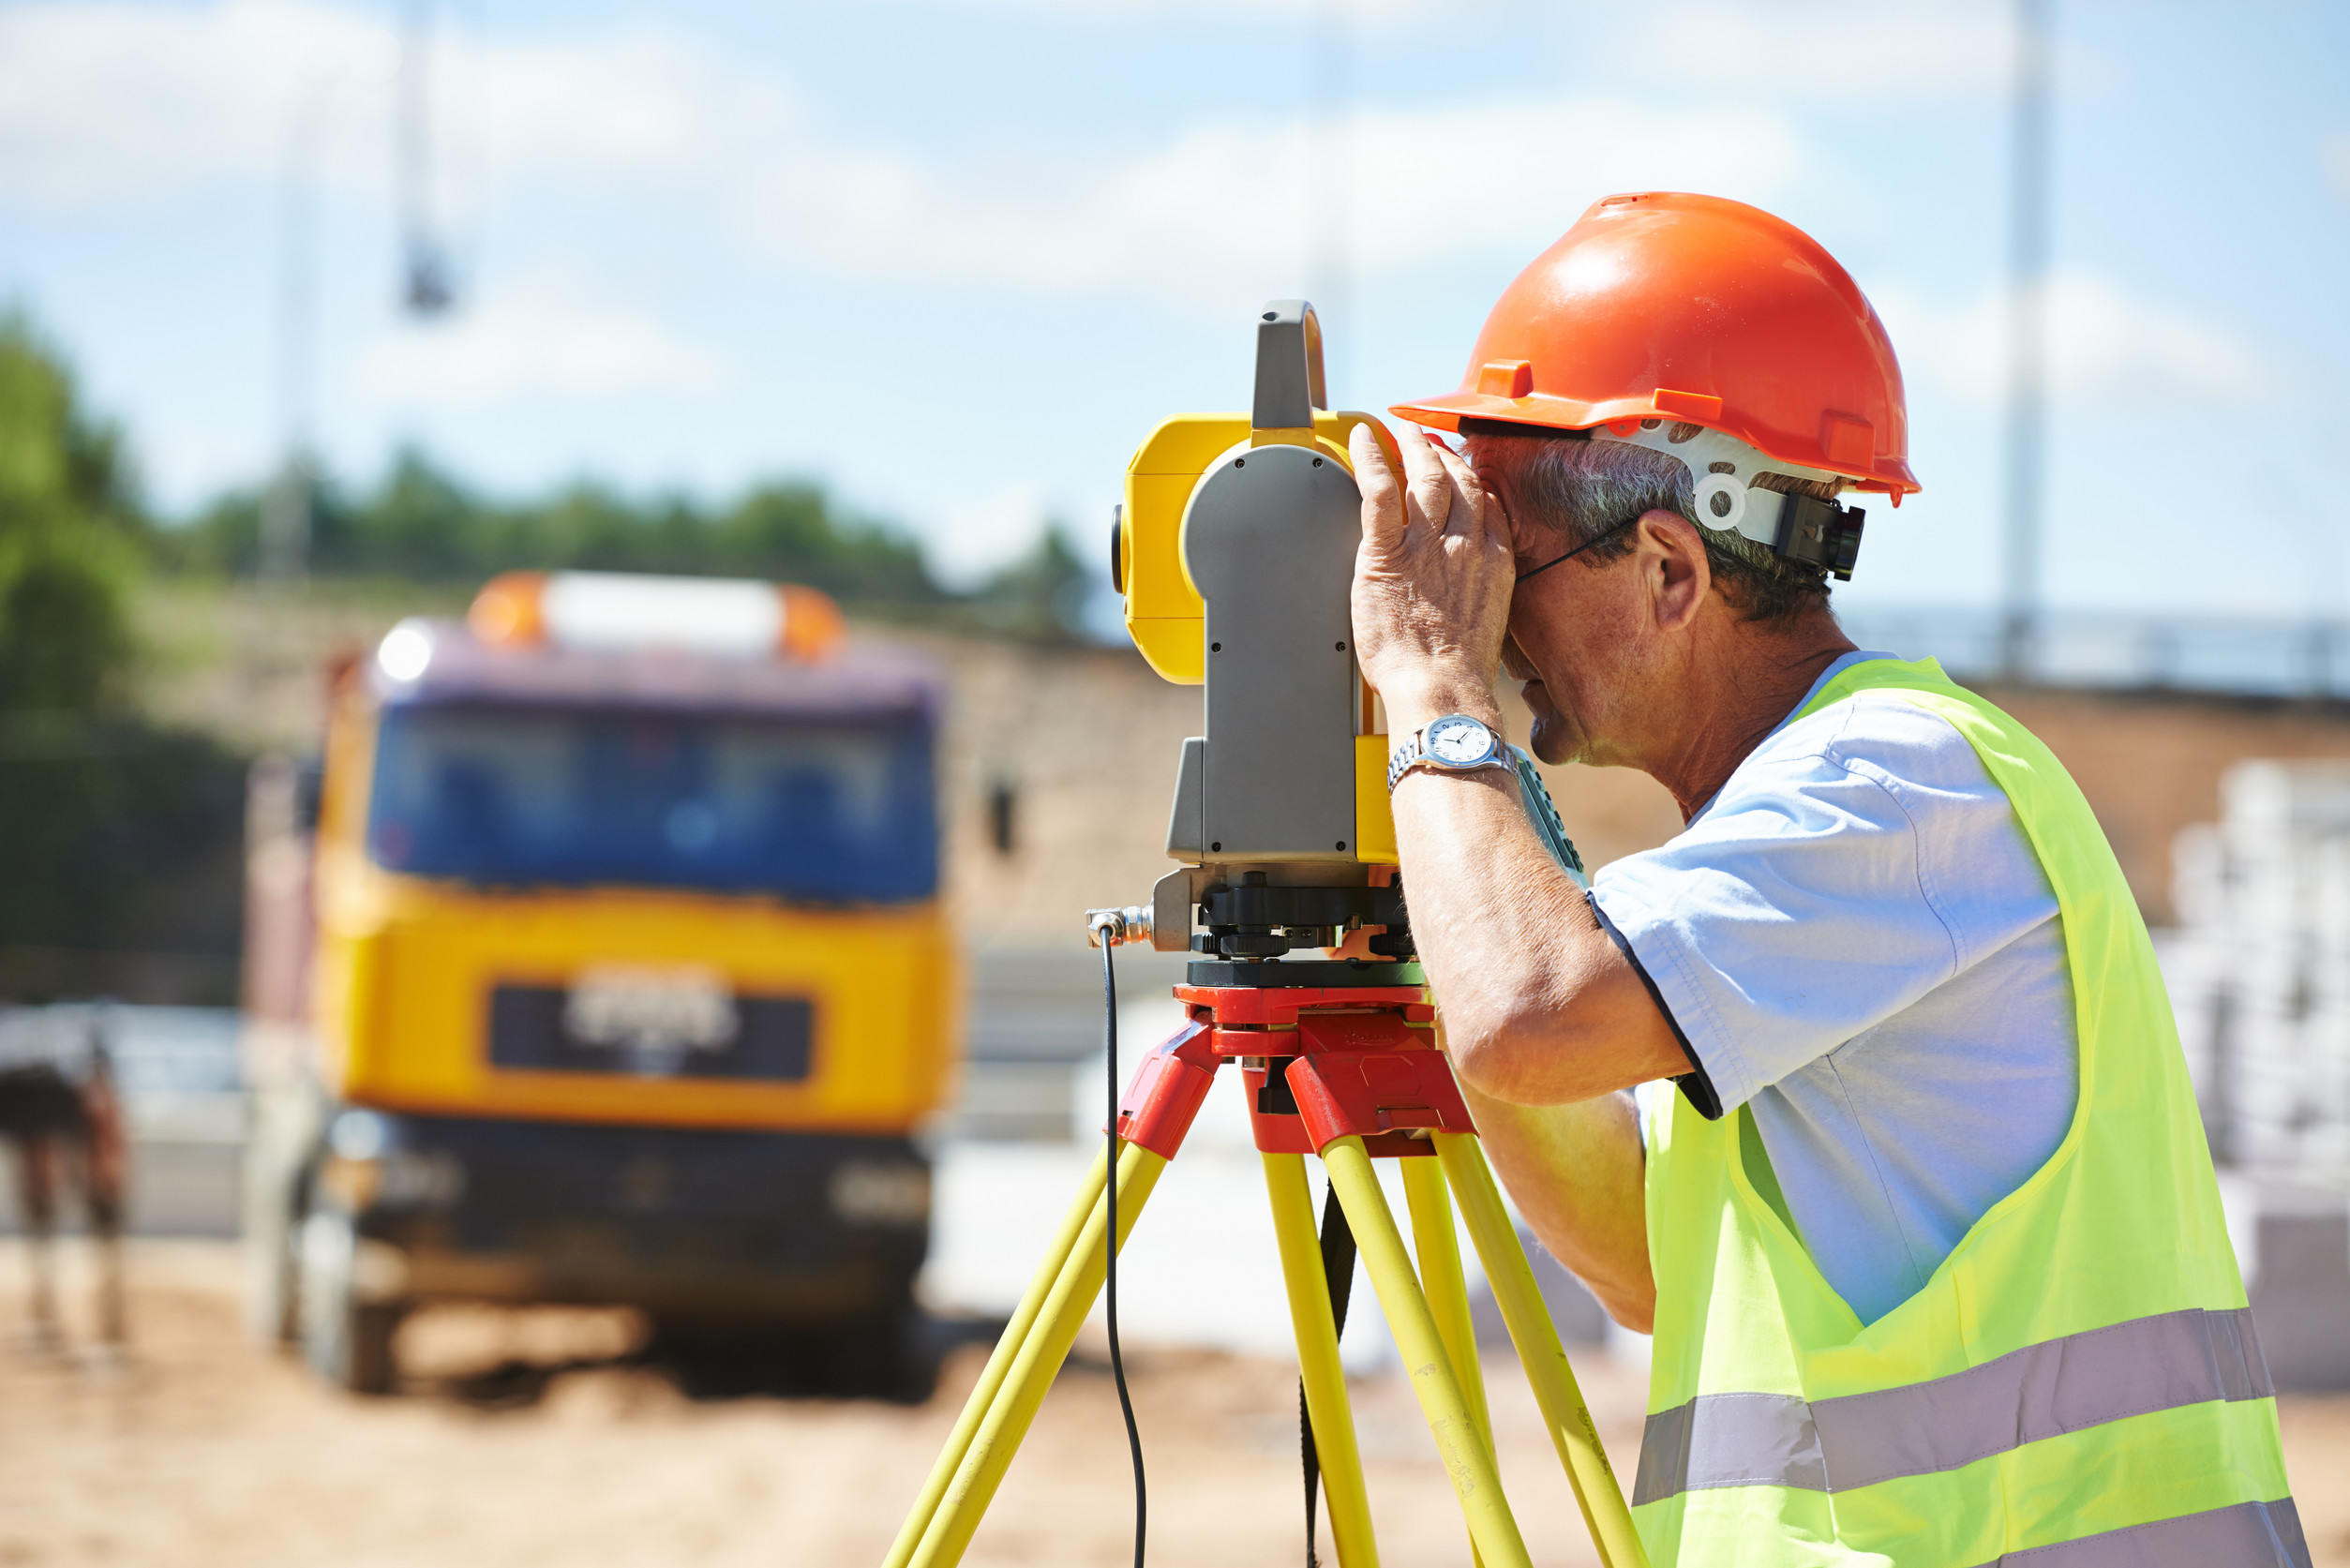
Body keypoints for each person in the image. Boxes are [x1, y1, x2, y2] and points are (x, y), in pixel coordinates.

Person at [1348, 192, 2304, 1566]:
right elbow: (1639, 1260)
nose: (1487, 618)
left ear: (1671, 572)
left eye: (1514, 564)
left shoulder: (1899, 788)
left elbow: (1530, 1009)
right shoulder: (1767, 870)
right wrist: (1449, 871)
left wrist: (1431, 690)